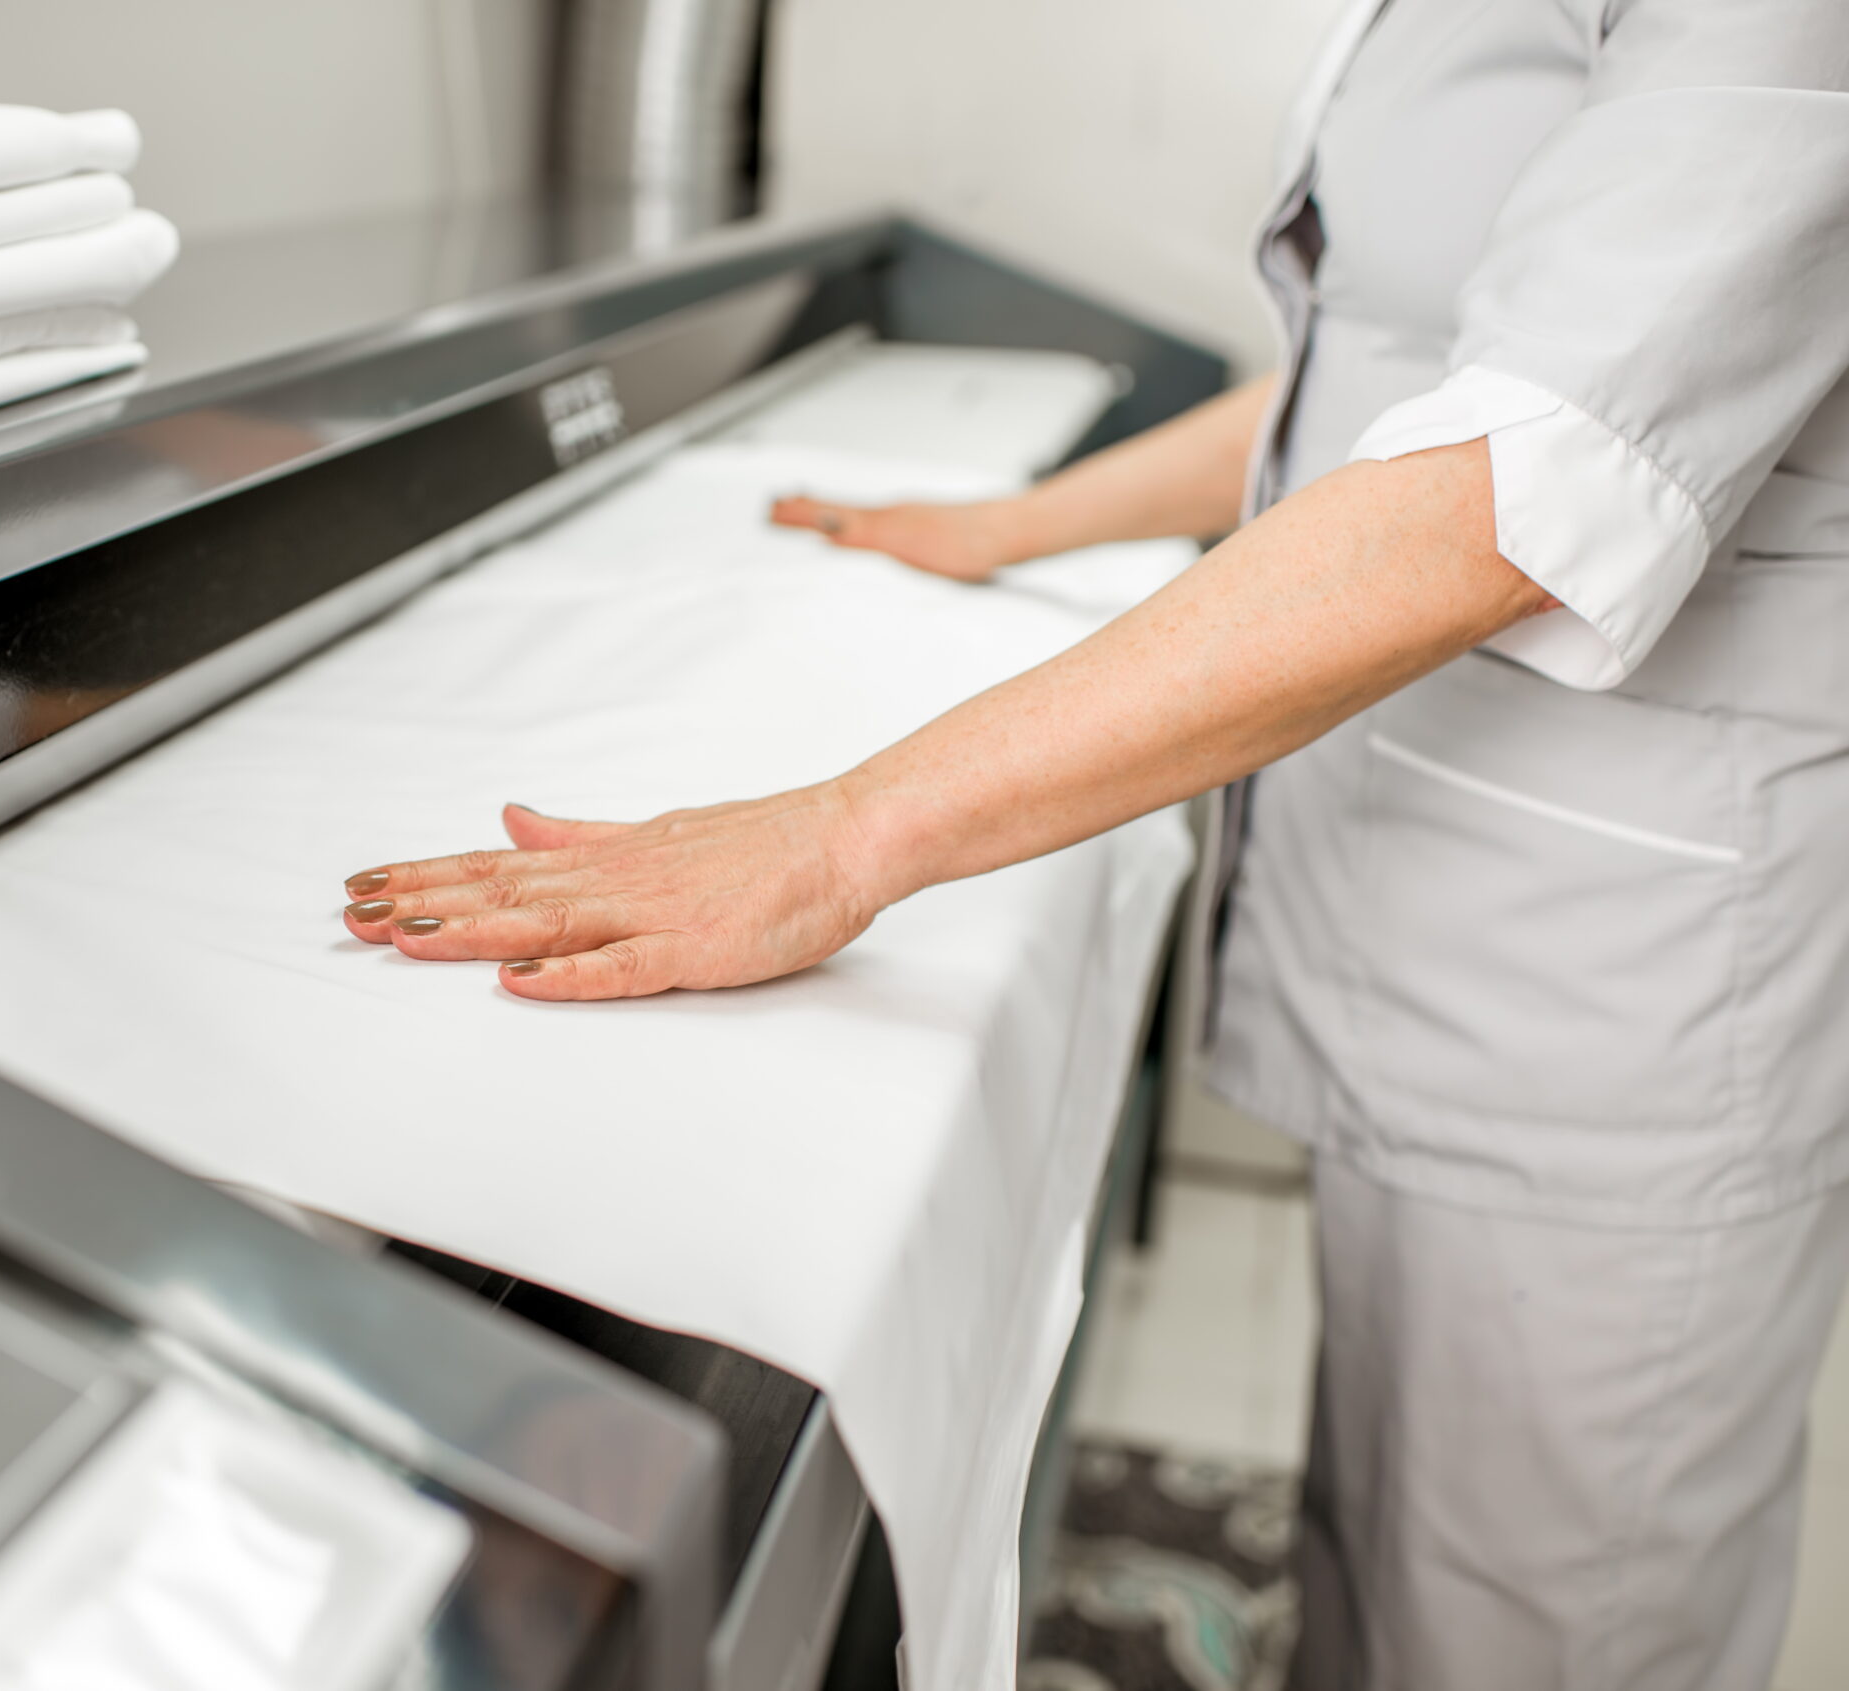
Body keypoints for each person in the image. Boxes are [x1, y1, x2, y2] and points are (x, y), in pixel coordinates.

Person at [340, 2, 1849, 1686]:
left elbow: (1530, 467)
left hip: (1618, 990)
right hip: (1455, 908)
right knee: (1406, 1571)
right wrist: (1017, 523)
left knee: (1548, 1620)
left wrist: (843, 837)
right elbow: (1414, 374)